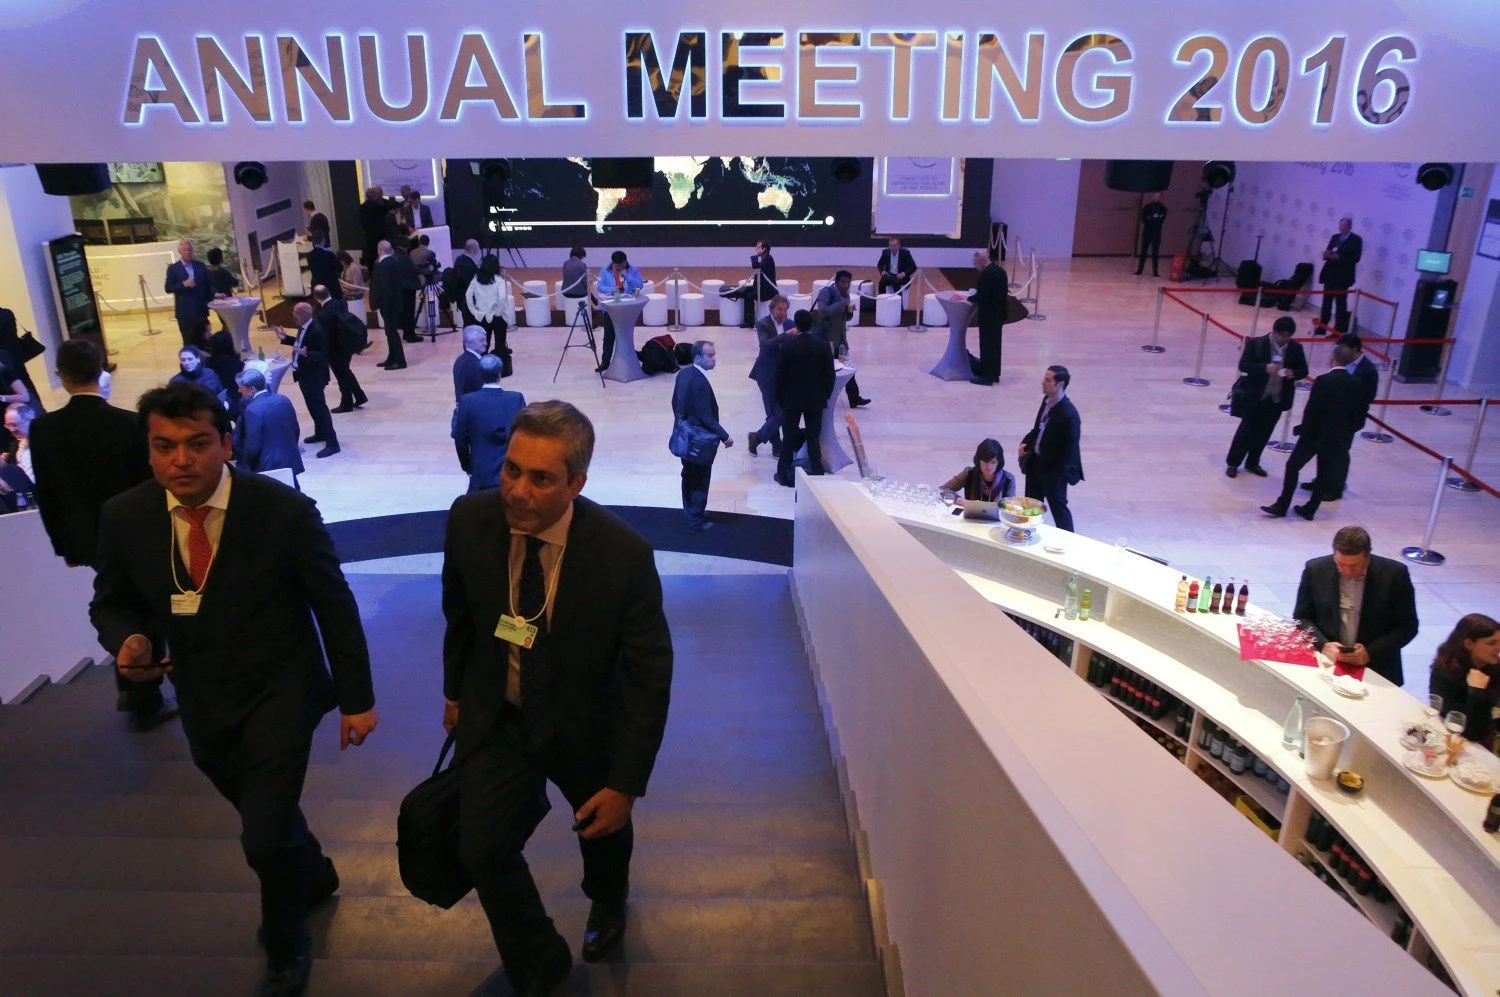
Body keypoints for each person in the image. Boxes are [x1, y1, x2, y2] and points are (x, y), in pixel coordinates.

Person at [91, 380, 377, 996]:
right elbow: (111, 603)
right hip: (200, 698)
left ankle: (286, 944)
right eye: (165, 447)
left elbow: (335, 604)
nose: (181, 460)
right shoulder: (127, 516)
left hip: (282, 691)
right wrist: (127, 641)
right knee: (260, 815)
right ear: (149, 451)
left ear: (226, 443)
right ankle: (316, 871)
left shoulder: (281, 510)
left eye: (197, 444)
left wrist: (357, 698)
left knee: (263, 835)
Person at [441, 400, 672, 995]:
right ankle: (540, 967)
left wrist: (625, 784)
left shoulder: (623, 556)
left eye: (541, 478)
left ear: (577, 483)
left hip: (585, 725)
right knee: (481, 847)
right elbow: (461, 616)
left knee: (602, 833)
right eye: (511, 469)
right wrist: (455, 693)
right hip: (503, 714)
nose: (517, 490)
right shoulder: (470, 520)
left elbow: (649, 673)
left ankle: (607, 900)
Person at [28, 340, 156, 722]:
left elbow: (47, 495)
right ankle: (142, 694)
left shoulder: (43, 430)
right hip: (134, 536)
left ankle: (132, 687)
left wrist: (62, 546)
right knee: (139, 606)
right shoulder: (130, 423)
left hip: (86, 541)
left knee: (113, 603)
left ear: (61, 377)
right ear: (101, 369)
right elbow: (147, 485)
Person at [1292, 524, 1418, 686]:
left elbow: (1408, 626)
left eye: (1355, 566)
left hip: (1376, 666)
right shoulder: (1315, 569)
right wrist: (1324, 644)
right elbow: (1301, 617)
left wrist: (1370, 652)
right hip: (1328, 662)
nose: (1348, 572)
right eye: (1340, 564)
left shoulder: (1394, 574)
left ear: (1368, 556)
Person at [1260, 343, 1362, 520]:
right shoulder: (1355, 383)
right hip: (1336, 438)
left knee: (1293, 466)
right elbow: (1359, 415)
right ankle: (1311, 509)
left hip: (1314, 434)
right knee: (1324, 472)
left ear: (1333, 358)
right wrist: (1345, 432)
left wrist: (1302, 429)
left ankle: (1282, 504)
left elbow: (1312, 409)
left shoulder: (1323, 380)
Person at [1226, 315, 1308, 478]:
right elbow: (1244, 365)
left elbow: (1304, 370)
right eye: (1282, 335)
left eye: (1288, 336)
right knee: (1245, 431)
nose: (1285, 339)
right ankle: (1233, 463)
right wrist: (1264, 367)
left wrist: (1293, 373)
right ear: (1274, 331)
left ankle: (1253, 462)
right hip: (1255, 396)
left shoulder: (1295, 348)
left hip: (1277, 399)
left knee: (1265, 432)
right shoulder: (1257, 343)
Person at [1302, 331, 1380, 500]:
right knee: (1325, 450)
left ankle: (1335, 489)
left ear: (1354, 349)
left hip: (1348, 420)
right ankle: (1321, 481)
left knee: (1339, 453)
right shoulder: (1344, 363)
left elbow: (1368, 396)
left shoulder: (1368, 370)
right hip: (1332, 416)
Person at [671, 341, 733, 532]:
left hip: (685, 436)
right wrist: (725, 436)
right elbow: (706, 416)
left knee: (688, 474)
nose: (714, 359)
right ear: (698, 358)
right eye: (710, 355)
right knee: (699, 478)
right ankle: (696, 520)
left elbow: (675, 403)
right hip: (699, 441)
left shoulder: (683, 374)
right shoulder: (699, 381)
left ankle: (690, 511)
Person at [1018, 365, 1083, 532]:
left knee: (1059, 510)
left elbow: (1070, 450)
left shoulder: (1069, 415)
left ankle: (1068, 541)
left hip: (1054, 472)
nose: (1042, 382)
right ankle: (1028, 535)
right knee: (1031, 507)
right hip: (1036, 464)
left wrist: (1058, 473)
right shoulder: (1046, 401)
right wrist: (1026, 444)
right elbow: (1037, 429)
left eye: (1048, 380)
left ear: (1059, 384)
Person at [775, 310, 835, 488]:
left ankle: (782, 473)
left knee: (788, 438)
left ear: (796, 325)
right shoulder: (823, 345)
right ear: (811, 324)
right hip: (815, 399)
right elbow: (829, 375)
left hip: (792, 400)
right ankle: (817, 471)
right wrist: (825, 394)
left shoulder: (788, 345)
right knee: (813, 438)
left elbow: (780, 375)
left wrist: (780, 398)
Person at [451, 354, 527, 493]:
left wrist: (467, 465)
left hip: (480, 474)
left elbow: (460, 438)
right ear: (500, 374)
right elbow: (525, 435)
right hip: (510, 473)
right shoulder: (516, 399)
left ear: (480, 374)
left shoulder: (467, 401)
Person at [1429, 614, 1500, 749]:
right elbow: (1469, 732)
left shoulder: (1495, 668)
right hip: (1459, 745)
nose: (1499, 648)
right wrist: (1476, 692)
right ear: (1468, 644)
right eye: (1492, 643)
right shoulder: (1444, 674)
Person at [278, 302, 339, 459]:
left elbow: (322, 355)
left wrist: (307, 354)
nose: (293, 316)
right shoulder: (304, 327)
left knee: (320, 408)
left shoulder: (317, 331)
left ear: (305, 313)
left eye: (296, 313)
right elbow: (300, 345)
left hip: (314, 376)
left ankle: (333, 443)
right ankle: (320, 433)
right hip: (304, 374)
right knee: (312, 406)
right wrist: (286, 338)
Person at [234, 368, 304, 487]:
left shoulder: (252, 410)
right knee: (296, 496)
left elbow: (253, 446)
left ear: (252, 389)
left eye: (241, 388)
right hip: (290, 459)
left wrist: (243, 464)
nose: (239, 390)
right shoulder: (283, 399)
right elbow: (295, 430)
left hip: (268, 466)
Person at [811, 270, 871, 408]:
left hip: (840, 339)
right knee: (822, 369)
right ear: (837, 281)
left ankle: (854, 398)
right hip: (825, 339)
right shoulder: (826, 292)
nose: (846, 285)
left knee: (847, 369)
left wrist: (849, 312)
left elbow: (845, 318)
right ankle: (818, 396)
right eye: (843, 282)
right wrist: (842, 304)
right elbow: (823, 311)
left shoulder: (845, 295)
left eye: (848, 282)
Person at [747, 295, 792, 457]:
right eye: (779, 309)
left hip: (785, 375)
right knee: (772, 412)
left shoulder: (790, 323)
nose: (783, 313)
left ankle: (757, 437)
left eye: (785, 309)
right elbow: (765, 345)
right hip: (766, 373)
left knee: (781, 411)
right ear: (772, 309)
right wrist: (785, 336)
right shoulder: (763, 323)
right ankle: (776, 443)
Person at [313, 285, 367, 413]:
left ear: (316, 297)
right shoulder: (341, 303)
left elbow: (324, 334)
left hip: (335, 348)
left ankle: (346, 403)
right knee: (346, 372)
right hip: (347, 343)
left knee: (341, 375)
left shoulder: (322, 314)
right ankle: (359, 395)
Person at [595, 251, 644, 372]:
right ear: (613, 263)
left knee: (625, 335)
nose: (619, 268)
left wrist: (628, 276)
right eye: (617, 267)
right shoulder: (605, 270)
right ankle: (605, 363)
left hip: (627, 307)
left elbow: (640, 284)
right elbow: (600, 286)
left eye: (621, 266)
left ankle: (627, 361)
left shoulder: (633, 269)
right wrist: (612, 289)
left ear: (625, 262)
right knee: (609, 335)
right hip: (611, 307)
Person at [369, 240, 412, 369]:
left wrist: (379, 303)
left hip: (388, 305)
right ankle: (392, 357)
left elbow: (385, 288)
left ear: (379, 250)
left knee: (391, 332)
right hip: (394, 303)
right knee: (390, 332)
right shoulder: (393, 262)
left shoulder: (383, 265)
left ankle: (399, 360)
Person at [466, 255, 513, 373]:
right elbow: (502, 298)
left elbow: (468, 296)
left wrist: (475, 312)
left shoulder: (476, 279)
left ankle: (482, 370)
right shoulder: (499, 280)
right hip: (498, 317)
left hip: (482, 317)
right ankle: (503, 371)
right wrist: (499, 312)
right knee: (500, 344)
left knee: (483, 346)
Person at [968, 250, 1008, 385]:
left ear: (983, 261)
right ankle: (994, 373)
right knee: (996, 344)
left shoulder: (987, 274)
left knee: (987, 345)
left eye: (976, 264)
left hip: (989, 315)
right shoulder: (1000, 271)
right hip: (999, 313)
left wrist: (969, 297)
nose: (976, 267)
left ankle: (987, 376)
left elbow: (984, 296)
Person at [1318, 215, 1362, 334]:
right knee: (1326, 302)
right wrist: (1327, 254)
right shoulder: (1335, 237)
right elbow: (1329, 250)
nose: (1340, 228)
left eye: (1343, 226)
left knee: (1340, 304)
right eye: (1339, 225)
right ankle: (1322, 327)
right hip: (1330, 274)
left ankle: (1337, 331)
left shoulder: (1356, 240)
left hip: (1343, 277)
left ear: (1349, 227)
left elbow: (1356, 258)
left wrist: (1339, 257)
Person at [165, 240, 213, 347]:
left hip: (201, 311)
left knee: (206, 341)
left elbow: (207, 286)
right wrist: (183, 284)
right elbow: (168, 288)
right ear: (180, 251)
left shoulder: (200, 266)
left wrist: (216, 295)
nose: (188, 252)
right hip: (185, 314)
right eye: (185, 250)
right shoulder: (173, 269)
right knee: (189, 342)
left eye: (189, 249)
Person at [942, 438, 1017, 504]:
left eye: (993, 462)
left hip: (997, 519)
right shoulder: (969, 473)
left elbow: (1011, 505)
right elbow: (943, 490)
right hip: (971, 518)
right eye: (985, 461)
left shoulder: (1008, 479)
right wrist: (958, 498)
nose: (989, 467)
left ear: (999, 462)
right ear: (979, 461)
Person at [0, 305, 45, 413]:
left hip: (4, 362)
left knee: (11, 390)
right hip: (16, 357)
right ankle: (38, 410)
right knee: (26, 384)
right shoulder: (7, 313)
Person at [452, 240, 484, 328]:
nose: (479, 249)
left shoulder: (459, 259)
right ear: (473, 249)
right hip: (469, 302)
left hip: (463, 299)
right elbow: (471, 284)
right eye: (478, 247)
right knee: (473, 326)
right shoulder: (468, 264)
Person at [1134, 193, 1168, 277]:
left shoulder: (1163, 208)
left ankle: (1155, 272)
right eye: (1155, 196)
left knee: (1155, 252)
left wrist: (1157, 218)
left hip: (1156, 232)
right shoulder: (1147, 207)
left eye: (1158, 196)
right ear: (1152, 196)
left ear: (1160, 197)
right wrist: (1151, 218)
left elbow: (1162, 220)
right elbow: (1144, 219)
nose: (1156, 197)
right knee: (1143, 252)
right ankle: (1139, 270)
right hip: (1147, 231)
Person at [453, 325, 489, 402]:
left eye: (485, 340)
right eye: (482, 340)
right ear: (470, 342)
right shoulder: (470, 364)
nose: (486, 343)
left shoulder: (463, 360)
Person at [2, 402, 35, 483]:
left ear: (29, 421)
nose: (11, 430)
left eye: (14, 425)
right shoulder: (16, 445)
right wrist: (4, 465)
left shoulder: (46, 442)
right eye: (8, 426)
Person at [359, 185, 389, 270]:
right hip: (379, 237)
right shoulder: (378, 206)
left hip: (368, 238)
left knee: (371, 260)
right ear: (374, 195)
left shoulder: (362, 206)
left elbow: (362, 223)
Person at [306, 230, 342, 300]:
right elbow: (340, 268)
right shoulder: (329, 254)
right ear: (323, 240)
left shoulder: (309, 255)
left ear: (313, 241)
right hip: (331, 287)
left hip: (316, 285)